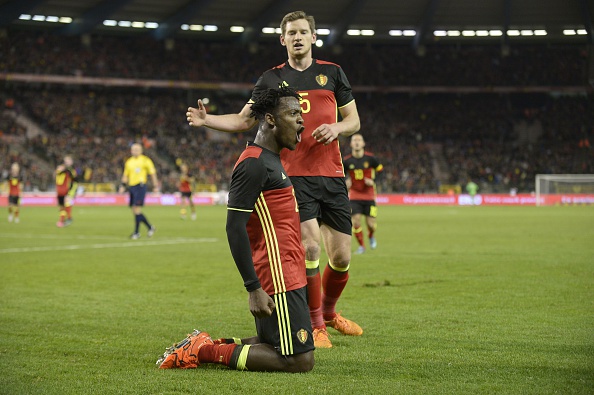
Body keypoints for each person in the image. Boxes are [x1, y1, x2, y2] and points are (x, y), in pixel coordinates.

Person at [186, 10, 362, 348]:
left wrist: (337, 127)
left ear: (313, 37)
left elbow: (353, 120)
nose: (297, 37)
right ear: (282, 40)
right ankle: (315, 326)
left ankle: (328, 313)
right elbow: (242, 121)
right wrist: (207, 121)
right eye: (291, 33)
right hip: (294, 177)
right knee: (310, 246)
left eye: (302, 32)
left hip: (333, 175)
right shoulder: (270, 79)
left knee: (341, 259)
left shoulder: (333, 73)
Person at [158, 87, 314, 372]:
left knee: (276, 341)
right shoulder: (254, 164)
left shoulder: (271, 160)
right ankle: (203, 352)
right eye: (293, 113)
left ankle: (203, 346)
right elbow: (234, 228)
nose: (301, 121)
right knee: (299, 360)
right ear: (269, 119)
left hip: (288, 270)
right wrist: (253, 287)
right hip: (277, 274)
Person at [343, 133, 383, 254]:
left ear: (363, 143)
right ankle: (362, 246)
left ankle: (371, 235)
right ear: (351, 144)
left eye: (359, 140)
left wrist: (374, 181)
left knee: (371, 224)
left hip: (369, 195)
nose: (356, 142)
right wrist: (346, 181)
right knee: (355, 221)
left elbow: (381, 171)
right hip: (354, 195)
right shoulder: (346, 161)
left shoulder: (371, 159)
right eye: (354, 140)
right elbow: (340, 175)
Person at [118, 143, 159, 239]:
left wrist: (155, 186)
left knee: (136, 208)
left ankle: (136, 233)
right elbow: (125, 175)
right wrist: (122, 185)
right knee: (134, 210)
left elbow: (152, 173)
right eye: (133, 149)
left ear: (141, 150)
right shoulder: (129, 162)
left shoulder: (145, 160)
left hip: (140, 186)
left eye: (137, 149)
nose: (135, 151)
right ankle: (150, 227)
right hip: (132, 187)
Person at [55, 155, 78, 227]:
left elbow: (74, 180)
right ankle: (66, 219)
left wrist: (72, 192)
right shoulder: (62, 170)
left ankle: (67, 219)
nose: (66, 162)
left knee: (67, 203)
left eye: (68, 161)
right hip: (60, 191)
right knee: (62, 206)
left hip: (68, 190)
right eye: (65, 161)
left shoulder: (70, 170)